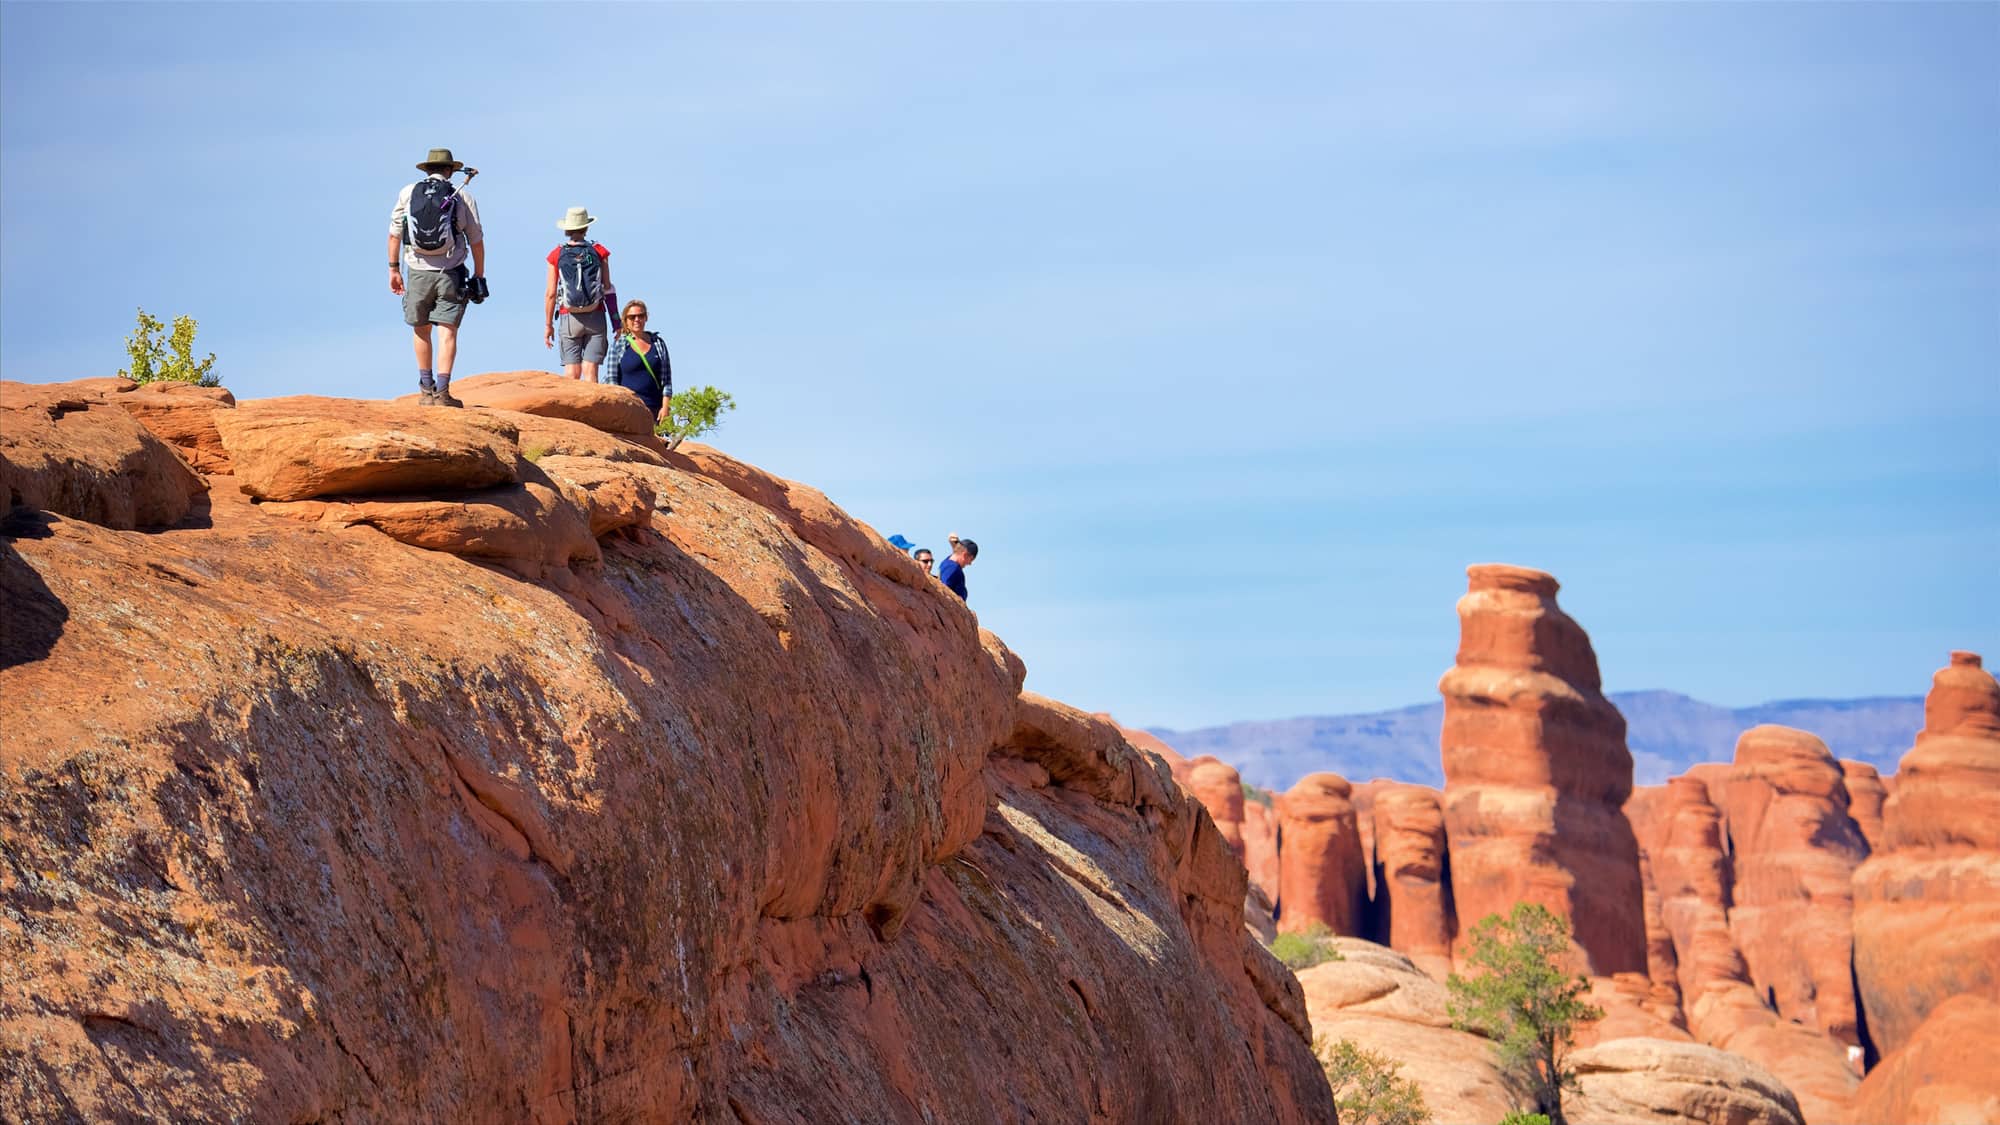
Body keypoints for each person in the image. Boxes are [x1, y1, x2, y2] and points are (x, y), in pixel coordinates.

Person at [388, 148, 487, 407]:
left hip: (417, 271)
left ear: (427, 170)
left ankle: (425, 390)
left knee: (421, 330)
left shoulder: (408, 192)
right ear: (450, 170)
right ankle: (442, 392)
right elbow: (476, 241)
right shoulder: (462, 195)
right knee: (447, 332)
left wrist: (394, 269)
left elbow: (394, 234)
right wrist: (479, 275)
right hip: (450, 273)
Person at [543, 207, 618, 380]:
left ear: (567, 229)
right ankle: (593, 407)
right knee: (590, 369)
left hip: (569, 317)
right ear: (586, 227)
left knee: (571, 371)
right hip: (596, 315)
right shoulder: (599, 251)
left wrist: (548, 325)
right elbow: (607, 287)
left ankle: (571, 406)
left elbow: (550, 294)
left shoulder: (556, 255)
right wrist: (616, 322)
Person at [602, 300, 672, 421]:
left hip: (654, 410)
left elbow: (666, 381)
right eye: (632, 317)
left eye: (640, 316)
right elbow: (612, 379)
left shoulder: (658, 343)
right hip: (628, 409)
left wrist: (665, 407)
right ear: (626, 320)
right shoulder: (620, 345)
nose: (637, 320)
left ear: (646, 318)